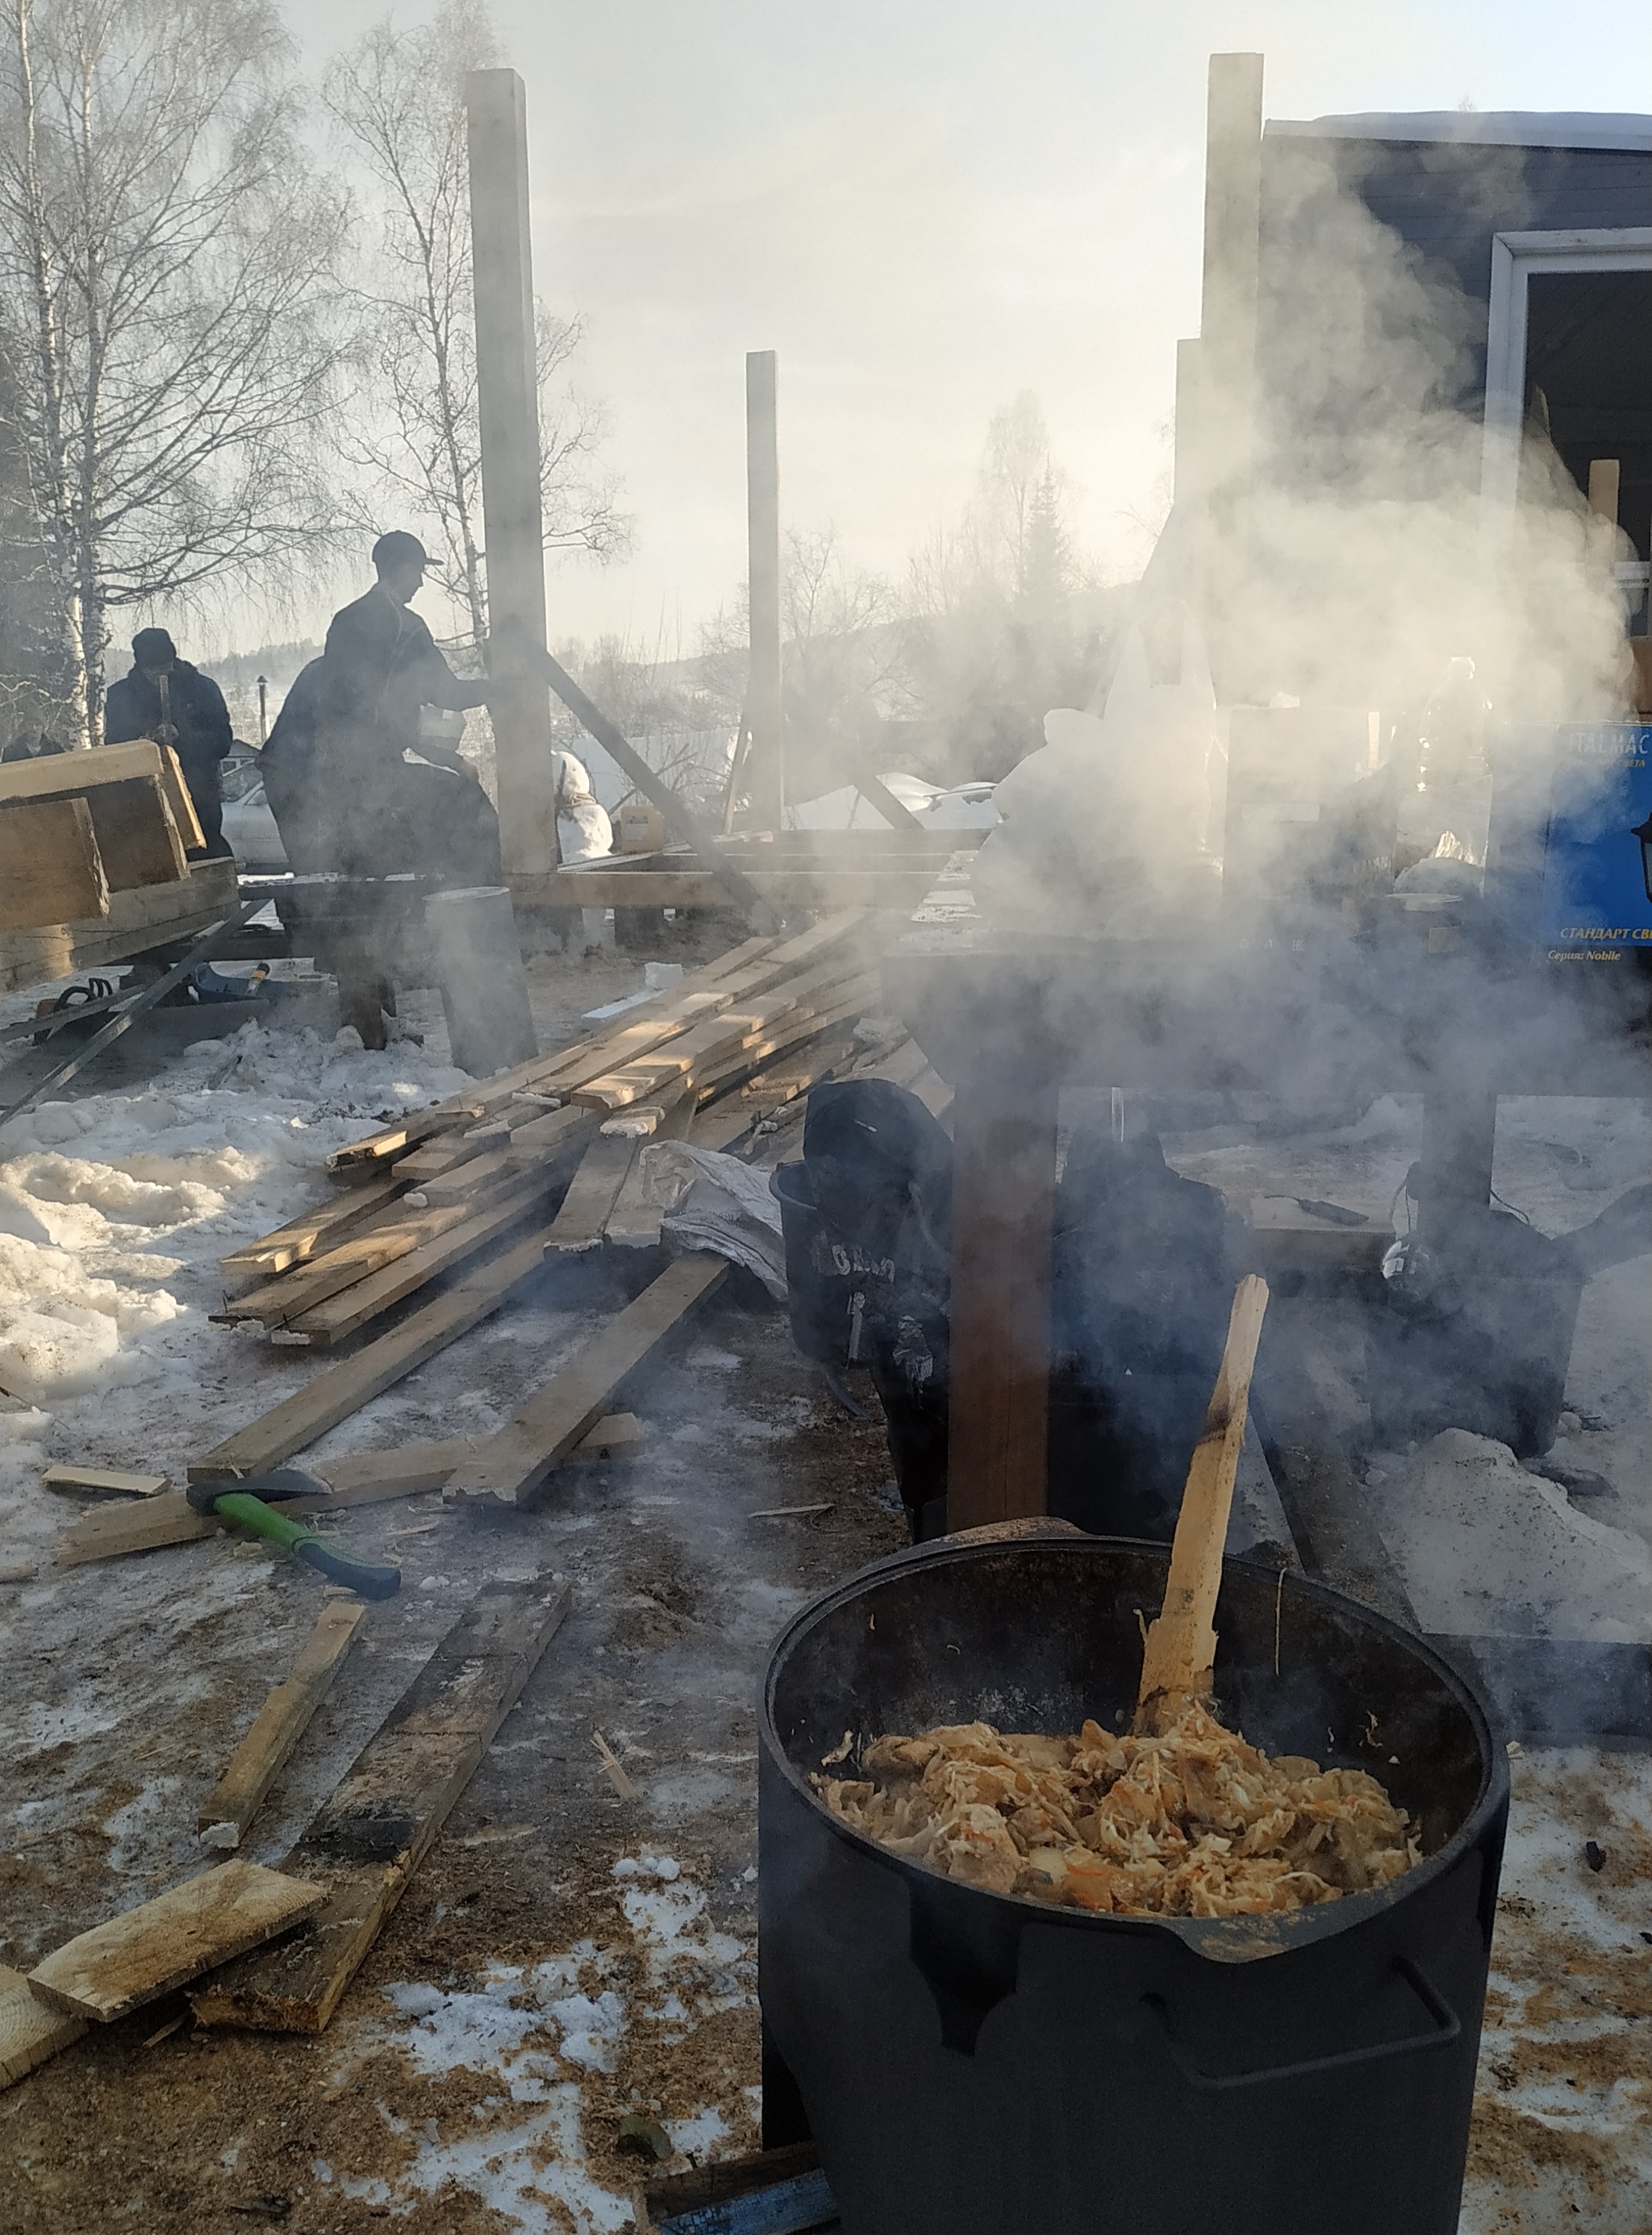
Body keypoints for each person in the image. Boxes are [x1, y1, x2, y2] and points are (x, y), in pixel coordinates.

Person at [261, 531, 503, 885]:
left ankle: (352, 934)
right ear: (403, 570)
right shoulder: (405, 628)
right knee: (465, 808)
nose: (421, 583)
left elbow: (361, 708)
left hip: (292, 776)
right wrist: (499, 690)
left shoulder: (344, 625)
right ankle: (485, 907)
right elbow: (445, 693)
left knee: (334, 881)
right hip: (343, 773)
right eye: (419, 572)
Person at [103, 628, 234, 855]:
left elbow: (222, 741)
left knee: (206, 855)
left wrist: (183, 737)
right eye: (153, 672)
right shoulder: (121, 696)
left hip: (199, 795)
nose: (161, 677)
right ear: (141, 668)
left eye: (165, 669)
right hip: (145, 800)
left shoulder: (202, 689)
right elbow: (115, 748)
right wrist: (145, 742)